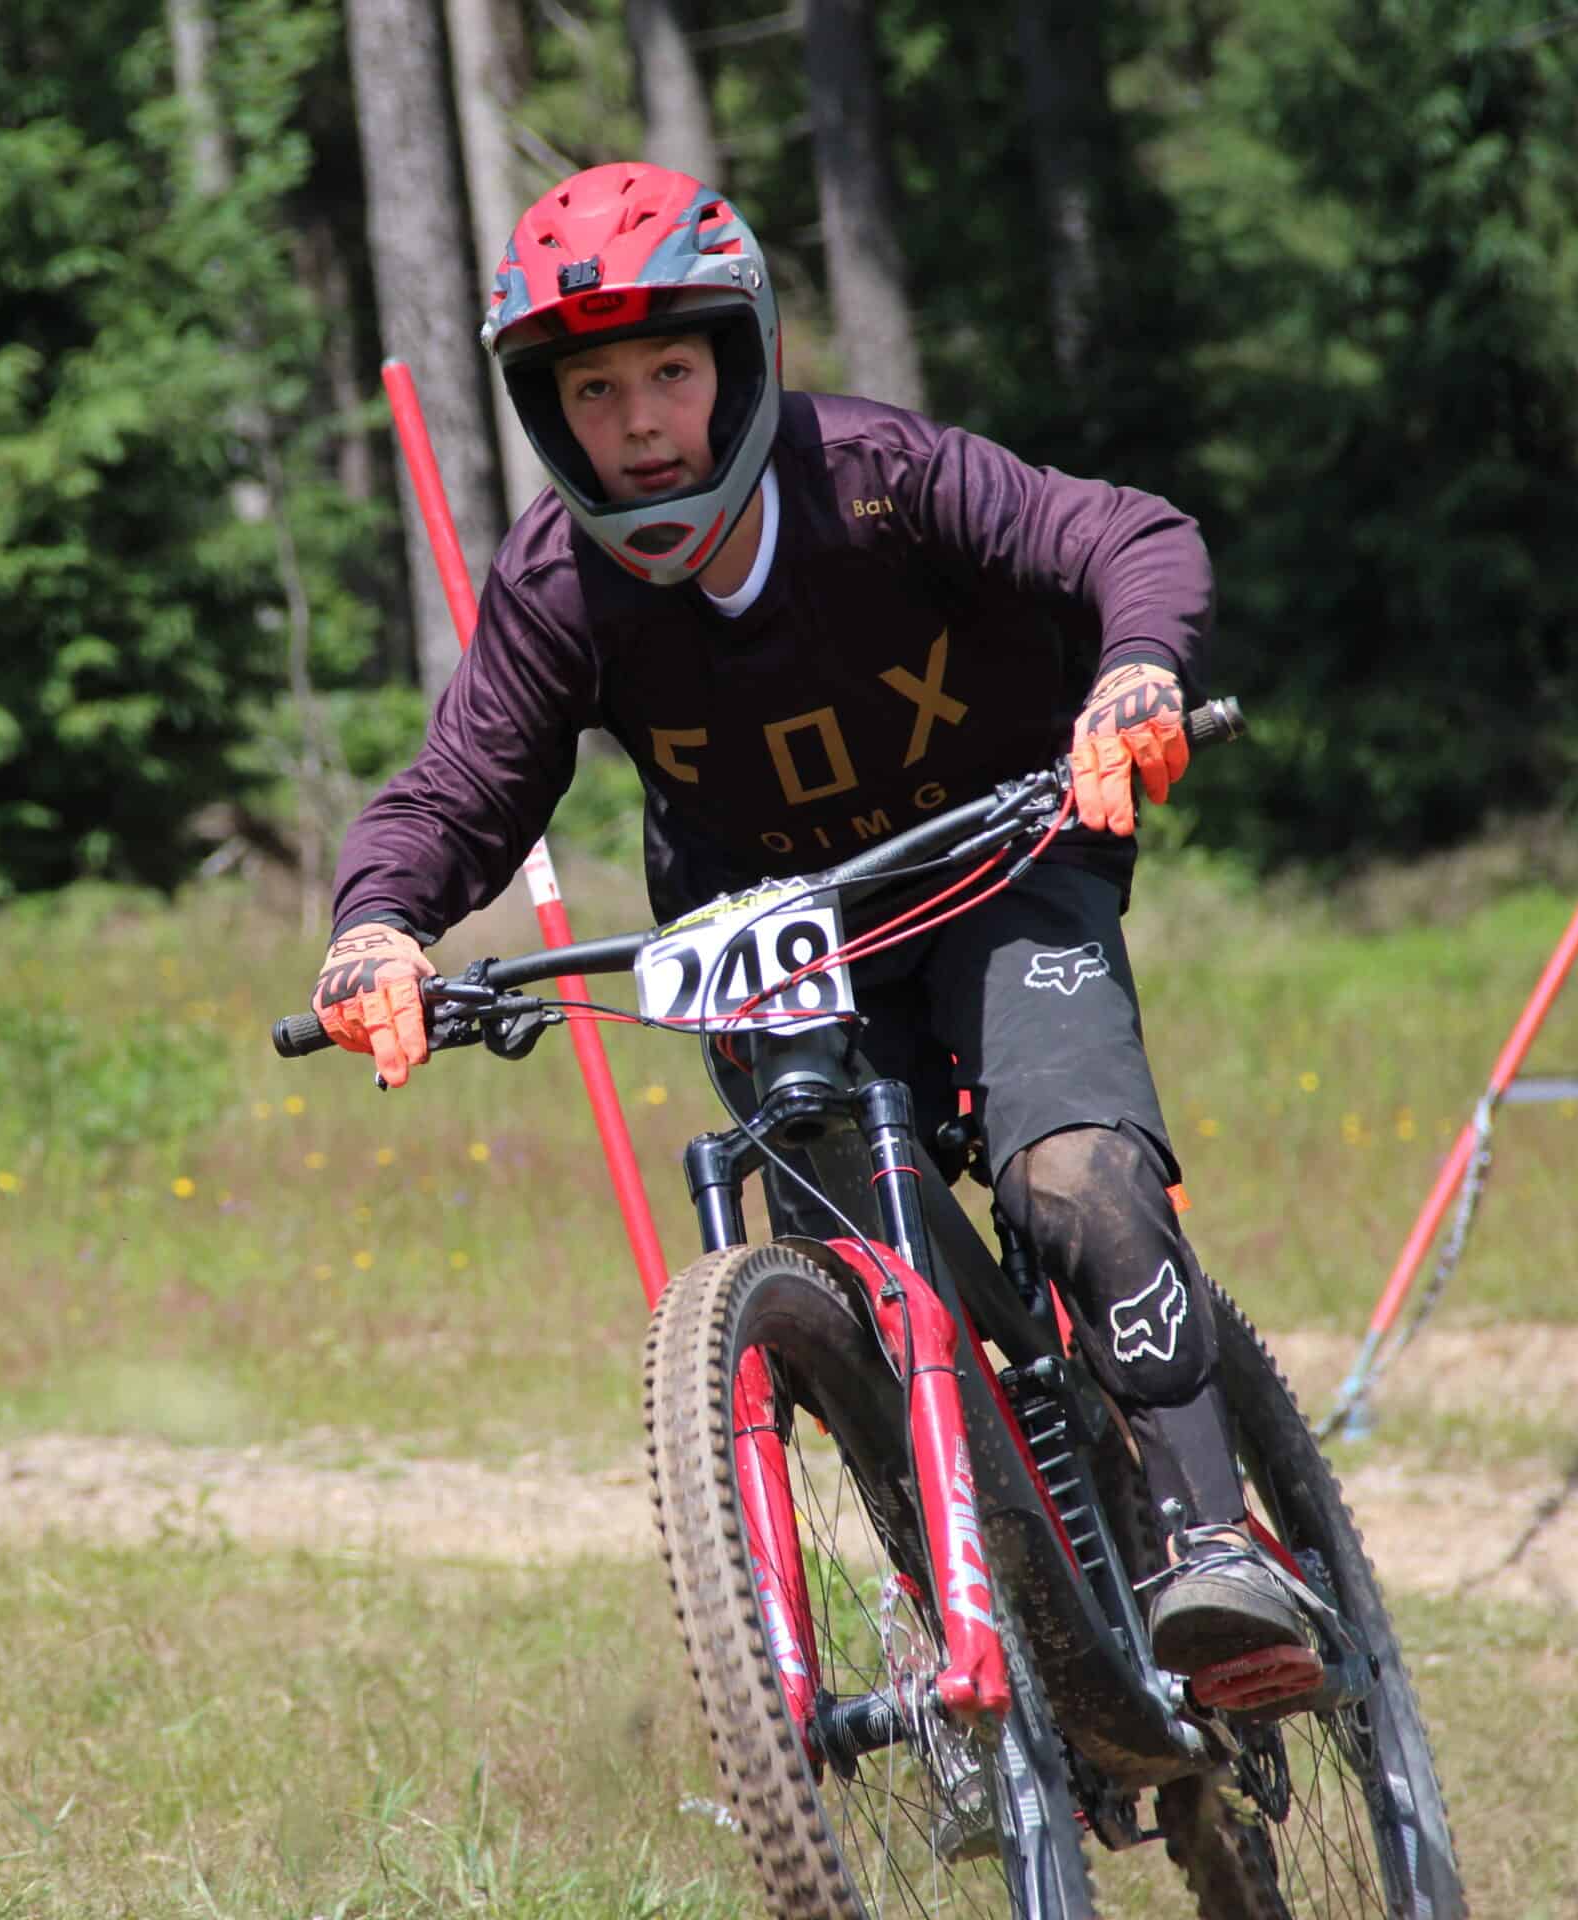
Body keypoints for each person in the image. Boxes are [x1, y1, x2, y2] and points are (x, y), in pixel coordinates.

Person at [309, 165, 1316, 1694]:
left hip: (1004, 864)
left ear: (741, 357)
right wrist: (376, 928)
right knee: (841, 1287)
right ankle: (987, 1646)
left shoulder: (878, 475)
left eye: (670, 369)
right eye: (596, 387)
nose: (640, 418)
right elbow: (459, 789)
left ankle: (1211, 1545)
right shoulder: (555, 587)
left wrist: (1134, 678)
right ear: (545, 407)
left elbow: (1126, 535)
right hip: (770, 933)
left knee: (1072, 1171)